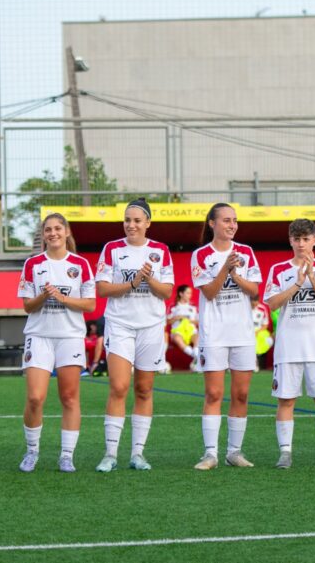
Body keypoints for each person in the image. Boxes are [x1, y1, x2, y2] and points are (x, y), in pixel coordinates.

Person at [95, 199, 174, 472]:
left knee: (144, 389)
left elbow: (166, 292)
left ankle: (137, 454)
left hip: (151, 326)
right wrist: (132, 282)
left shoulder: (161, 250)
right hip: (120, 325)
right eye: (127, 220)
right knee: (118, 386)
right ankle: (110, 453)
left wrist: (148, 279)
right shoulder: (112, 249)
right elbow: (103, 289)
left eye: (137, 220)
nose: (131, 225)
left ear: (148, 223)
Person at [17, 213, 96, 473]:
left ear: (67, 231)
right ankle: (32, 451)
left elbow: (90, 304)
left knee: (70, 397)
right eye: (48, 229)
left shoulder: (81, 264)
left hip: (70, 337)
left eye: (57, 228)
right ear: (44, 234)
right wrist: (44, 295)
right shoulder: (33, 264)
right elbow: (28, 305)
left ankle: (66, 455)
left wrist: (63, 299)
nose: (53, 233)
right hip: (39, 336)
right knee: (35, 397)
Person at [263, 219, 315, 468]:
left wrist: (311, 277)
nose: (301, 244)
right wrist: (297, 282)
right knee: (286, 400)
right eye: (296, 239)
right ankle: (285, 452)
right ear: (290, 240)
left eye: (306, 239)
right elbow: (272, 303)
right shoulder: (278, 269)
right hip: (288, 346)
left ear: (314, 240)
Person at [191, 203, 262, 470]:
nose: (232, 225)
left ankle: (234, 451)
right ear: (212, 223)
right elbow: (209, 292)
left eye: (235, 221)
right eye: (226, 220)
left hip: (242, 333)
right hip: (214, 333)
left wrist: (235, 274)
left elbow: (254, 290)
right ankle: (210, 454)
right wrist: (224, 270)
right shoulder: (200, 255)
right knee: (213, 393)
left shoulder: (246, 252)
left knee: (241, 393)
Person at [168, 285, 199, 369]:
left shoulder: (193, 306)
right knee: (177, 338)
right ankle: (197, 358)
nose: (190, 295)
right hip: (178, 331)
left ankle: (196, 360)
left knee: (198, 337)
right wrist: (177, 317)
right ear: (181, 294)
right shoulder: (173, 306)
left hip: (191, 330)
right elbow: (167, 321)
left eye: (191, 293)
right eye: (188, 293)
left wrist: (190, 321)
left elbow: (199, 321)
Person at [252, 296, 274, 370]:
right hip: (246, 332)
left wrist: (257, 331)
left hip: (259, 332)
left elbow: (265, 324)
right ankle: (254, 363)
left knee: (269, 340)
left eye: (256, 301)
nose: (254, 304)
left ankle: (257, 361)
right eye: (252, 302)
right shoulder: (244, 309)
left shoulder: (262, 309)